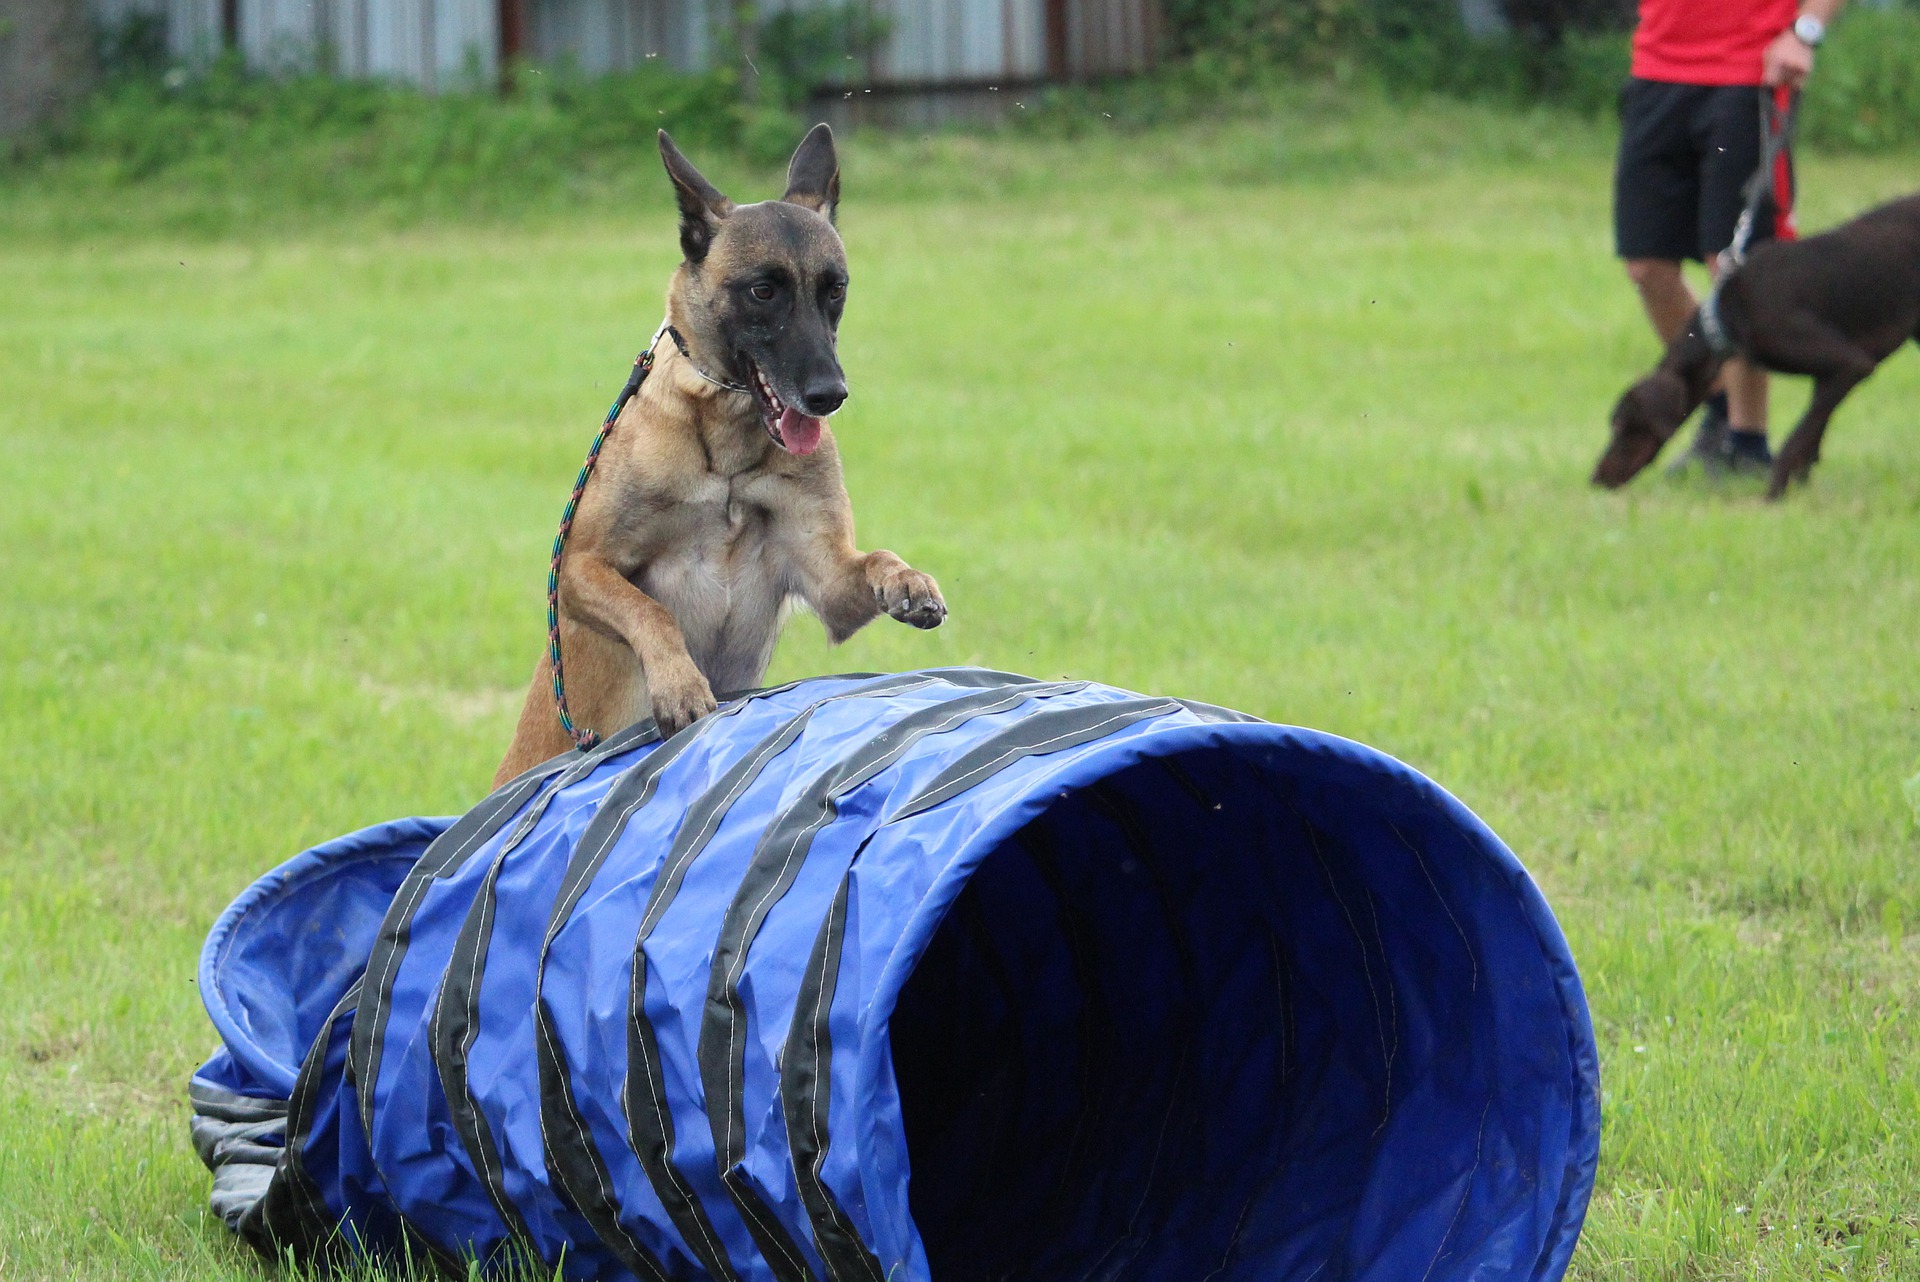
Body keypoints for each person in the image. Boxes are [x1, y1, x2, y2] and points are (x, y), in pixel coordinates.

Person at [1614, 0, 1845, 475]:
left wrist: (1804, 33)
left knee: (1735, 267)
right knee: (1646, 264)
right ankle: (1718, 406)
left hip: (1749, 72)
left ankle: (1747, 441)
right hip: (1656, 69)